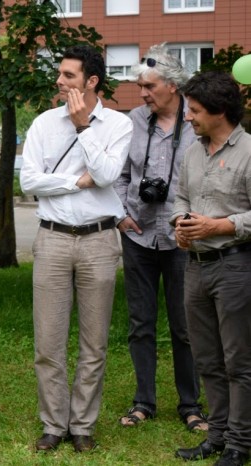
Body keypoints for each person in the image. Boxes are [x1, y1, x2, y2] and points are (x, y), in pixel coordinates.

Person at [19, 45, 133, 453]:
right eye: (60, 73)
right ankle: (54, 424)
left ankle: (82, 425)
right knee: (48, 342)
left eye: (68, 75)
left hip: (99, 240)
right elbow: (29, 182)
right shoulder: (43, 123)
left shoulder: (118, 124)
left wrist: (84, 126)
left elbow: (106, 174)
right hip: (52, 238)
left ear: (91, 81)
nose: (59, 80)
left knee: (94, 343)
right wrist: (74, 182)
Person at [114, 44, 205, 431]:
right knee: (141, 323)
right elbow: (119, 175)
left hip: (184, 239)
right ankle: (143, 402)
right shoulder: (133, 120)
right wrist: (121, 214)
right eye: (140, 86)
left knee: (186, 326)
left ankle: (191, 404)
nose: (143, 93)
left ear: (172, 85)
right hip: (138, 237)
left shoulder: (198, 120)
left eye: (149, 86)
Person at [172, 71, 251, 466]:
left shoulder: (249, 152)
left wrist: (220, 226)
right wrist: (180, 225)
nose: (188, 117)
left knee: (239, 362)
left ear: (220, 111)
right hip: (195, 268)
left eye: (195, 110)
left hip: (235, 267)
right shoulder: (192, 152)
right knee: (206, 359)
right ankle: (217, 437)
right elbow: (180, 197)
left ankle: (240, 444)